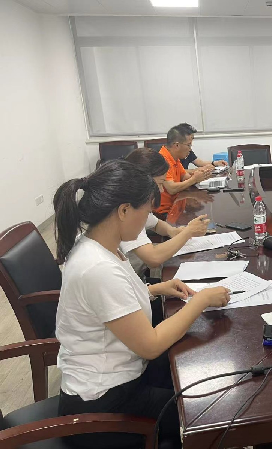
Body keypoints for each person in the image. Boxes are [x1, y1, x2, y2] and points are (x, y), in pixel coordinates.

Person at [53, 159, 230, 449]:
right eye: (146, 211)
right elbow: (150, 345)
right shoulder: (97, 267)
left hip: (123, 371)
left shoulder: (100, 246)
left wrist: (155, 289)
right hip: (104, 405)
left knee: (194, 359)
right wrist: (201, 301)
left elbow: (110, 306)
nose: (148, 219)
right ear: (124, 211)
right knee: (210, 409)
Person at [123, 148, 210, 276]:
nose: (162, 190)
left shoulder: (135, 200)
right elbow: (153, 258)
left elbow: (156, 224)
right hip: (129, 276)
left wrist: (172, 231)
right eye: (160, 183)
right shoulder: (127, 210)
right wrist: (188, 232)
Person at [155, 123, 212, 215]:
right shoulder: (162, 160)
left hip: (177, 204)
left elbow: (185, 177)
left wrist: (201, 175)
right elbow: (171, 189)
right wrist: (194, 179)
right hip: (165, 212)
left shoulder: (175, 157)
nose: (190, 149)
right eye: (188, 145)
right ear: (177, 145)